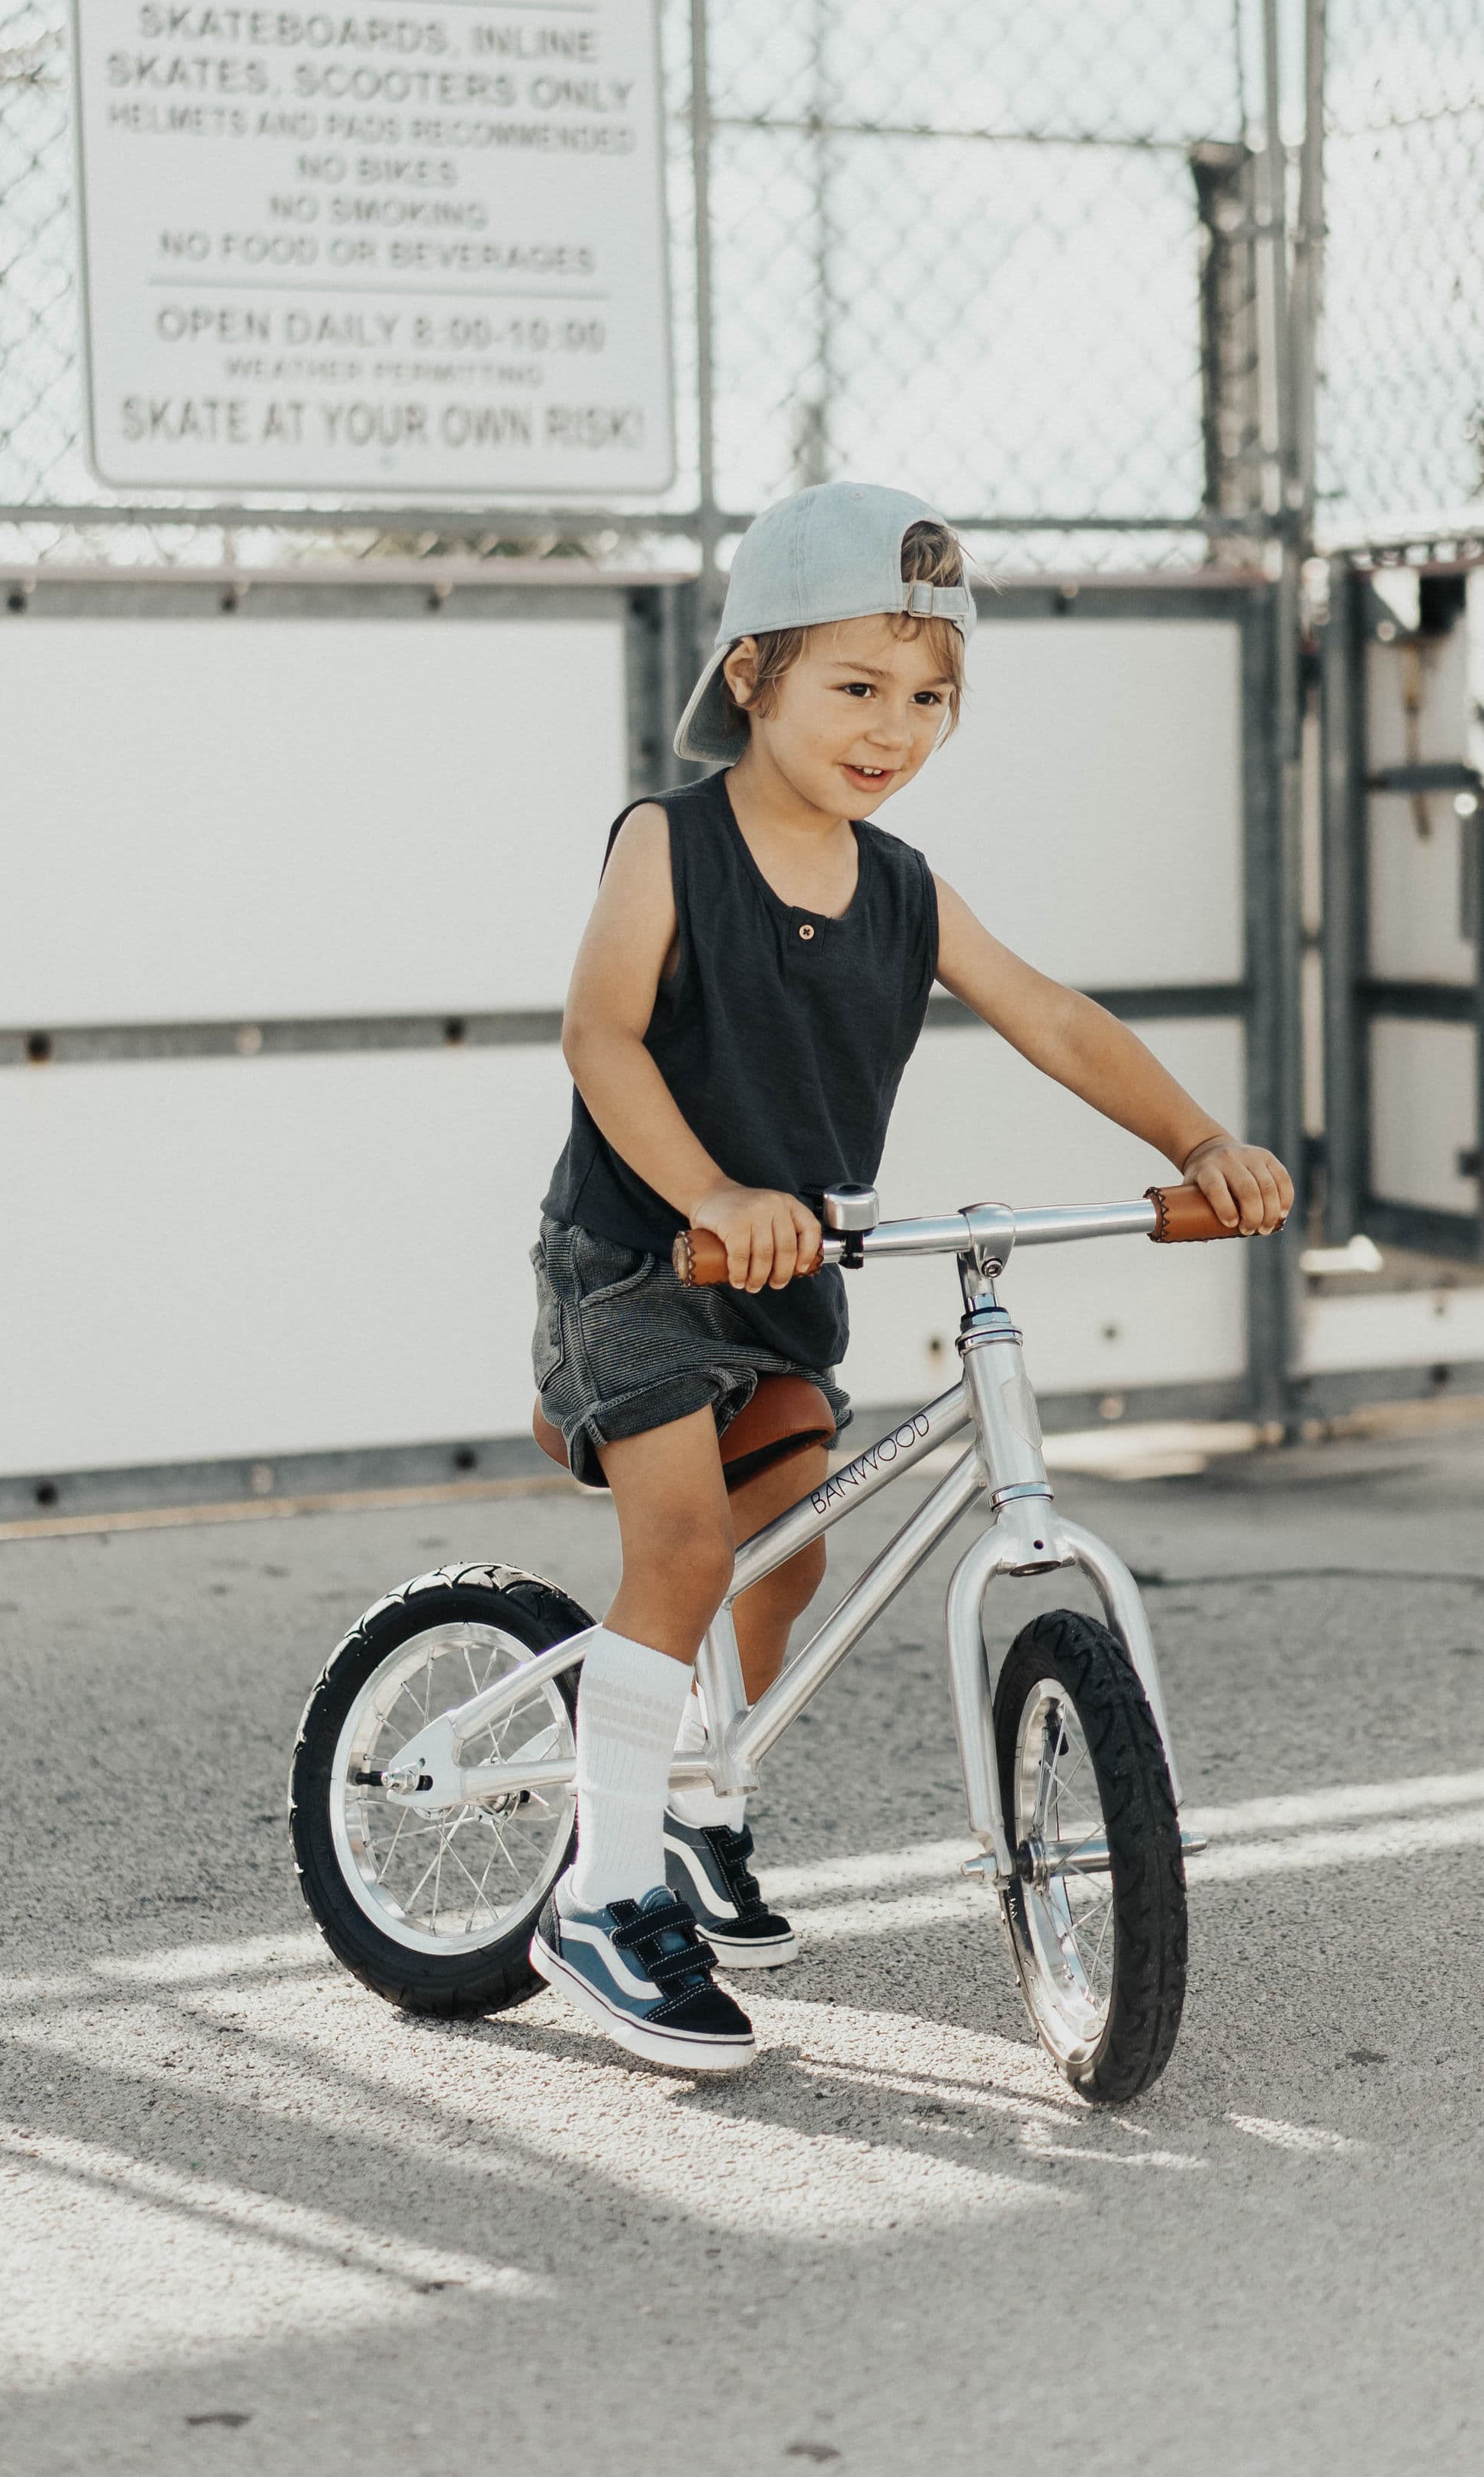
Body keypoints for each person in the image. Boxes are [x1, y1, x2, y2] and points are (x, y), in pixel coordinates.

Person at [525, 480, 1293, 2073]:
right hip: (645, 1258)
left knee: (783, 1562)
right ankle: (602, 1899)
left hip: (788, 1280)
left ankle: (701, 1799)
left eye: (930, 694)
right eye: (856, 688)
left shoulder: (905, 891)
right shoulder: (673, 847)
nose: (895, 727)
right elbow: (599, 1033)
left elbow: (1056, 1018)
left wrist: (1201, 1141)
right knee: (681, 1557)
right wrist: (716, 1190)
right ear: (752, 677)